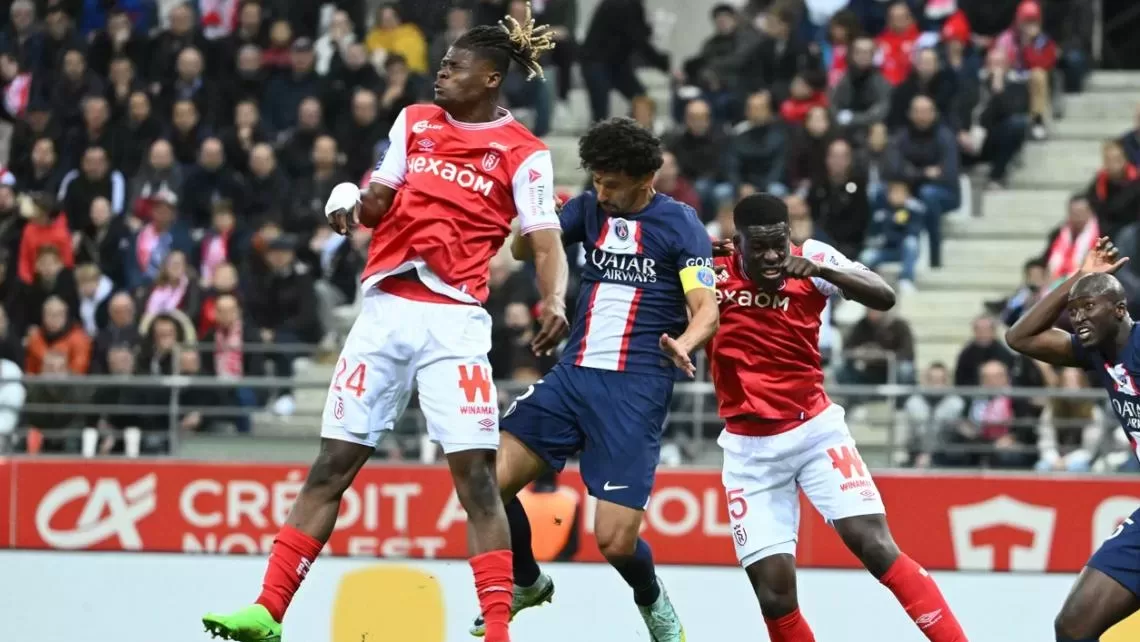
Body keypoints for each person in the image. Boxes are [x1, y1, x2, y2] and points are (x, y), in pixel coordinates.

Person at [201, 11, 567, 642]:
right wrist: (347, 198)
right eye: (441, 64)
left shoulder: (526, 154)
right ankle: (267, 610)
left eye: (453, 66)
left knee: (477, 480)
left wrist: (554, 299)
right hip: (383, 315)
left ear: (490, 77)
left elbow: (544, 239)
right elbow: (377, 201)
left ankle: (501, 628)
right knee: (330, 466)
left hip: (454, 323)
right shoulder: (413, 123)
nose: (440, 74)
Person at [471, 117, 720, 642]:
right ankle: (525, 579)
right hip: (573, 377)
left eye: (611, 182)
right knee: (484, 484)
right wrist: (537, 222)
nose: (601, 190)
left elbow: (707, 309)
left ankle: (651, 598)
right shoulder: (586, 209)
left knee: (614, 542)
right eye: (597, 179)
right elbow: (523, 251)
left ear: (645, 178)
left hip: (635, 391)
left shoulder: (681, 226)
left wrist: (686, 342)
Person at [707, 194, 969, 642]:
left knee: (875, 545)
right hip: (749, 451)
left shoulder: (814, 257)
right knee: (774, 595)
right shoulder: (710, 268)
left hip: (814, 431)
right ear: (738, 243)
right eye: (760, 247)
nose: (773, 256)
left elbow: (884, 296)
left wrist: (825, 272)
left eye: (780, 243)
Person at [1004, 237, 1140, 642]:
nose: (1077, 317)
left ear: (1119, 310)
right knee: (1072, 626)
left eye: (1088, 308)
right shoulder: (1095, 354)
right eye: (1073, 310)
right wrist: (1078, 279)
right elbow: (1020, 337)